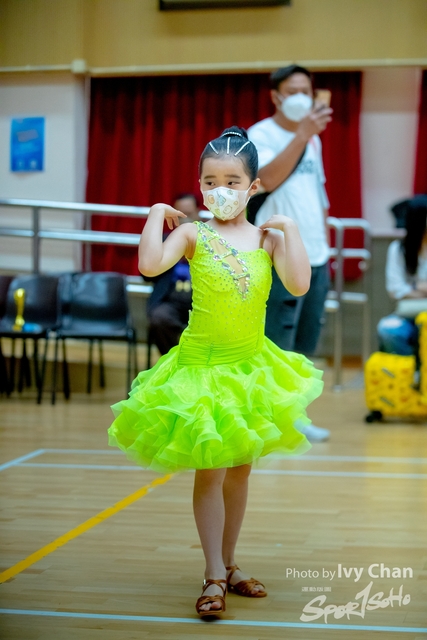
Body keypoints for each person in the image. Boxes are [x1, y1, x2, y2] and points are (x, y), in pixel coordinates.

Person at [108, 126, 323, 618]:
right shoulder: (193, 234)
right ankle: (211, 574)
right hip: (203, 370)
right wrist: (155, 216)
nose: (219, 190)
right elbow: (149, 265)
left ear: (253, 187)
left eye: (231, 181)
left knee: (239, 471)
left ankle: (229, 563)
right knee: (211, 470)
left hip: (250, 369)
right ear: (200, 185)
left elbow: (298, 284)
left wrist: (291, 231)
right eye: (210, 181)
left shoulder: (267, 238)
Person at [248, 65, 333, 442]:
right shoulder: (260, 135)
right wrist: (301, 135)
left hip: (316, 253)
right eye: (293, 90)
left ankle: (293, 414)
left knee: (305, 342)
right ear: (276, 96)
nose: (301, 97)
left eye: (306, 91)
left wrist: (325, 243)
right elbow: (266, 180)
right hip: (278, 253)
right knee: (276, 339)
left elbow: (318, 193)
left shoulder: (313, 141)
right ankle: (271, 418)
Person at [146, 194, 200, 355]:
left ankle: (196, 360)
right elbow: (146, 276)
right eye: (181, 215)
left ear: (198, 213)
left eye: (189, 214)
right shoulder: (164, 240)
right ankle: (172, 358)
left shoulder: (210, 240)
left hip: (201, 303)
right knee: (158, 317)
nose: (185, 219)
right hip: (171, 303)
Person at [378, 197, 427, 356]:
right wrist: (418, 287)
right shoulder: (398, 249)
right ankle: (410, 369)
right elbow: (395, 290)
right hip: (408, 314)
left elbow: (402, 289)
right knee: (388, 330)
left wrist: (412, 289)